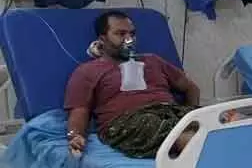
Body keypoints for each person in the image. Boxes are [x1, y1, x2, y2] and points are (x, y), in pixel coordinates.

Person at [65, 11, 202, 159]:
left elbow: (191, 88)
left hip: (169, 112)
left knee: (219, 121)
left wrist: (190, 113)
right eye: (121, 34)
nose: (129, 39)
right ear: (102, 39)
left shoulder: (152, 61)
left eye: (132, 34)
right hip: (128, 121)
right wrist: (76, 136)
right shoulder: (88, 71)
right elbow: (80, 111)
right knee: (182, 135)